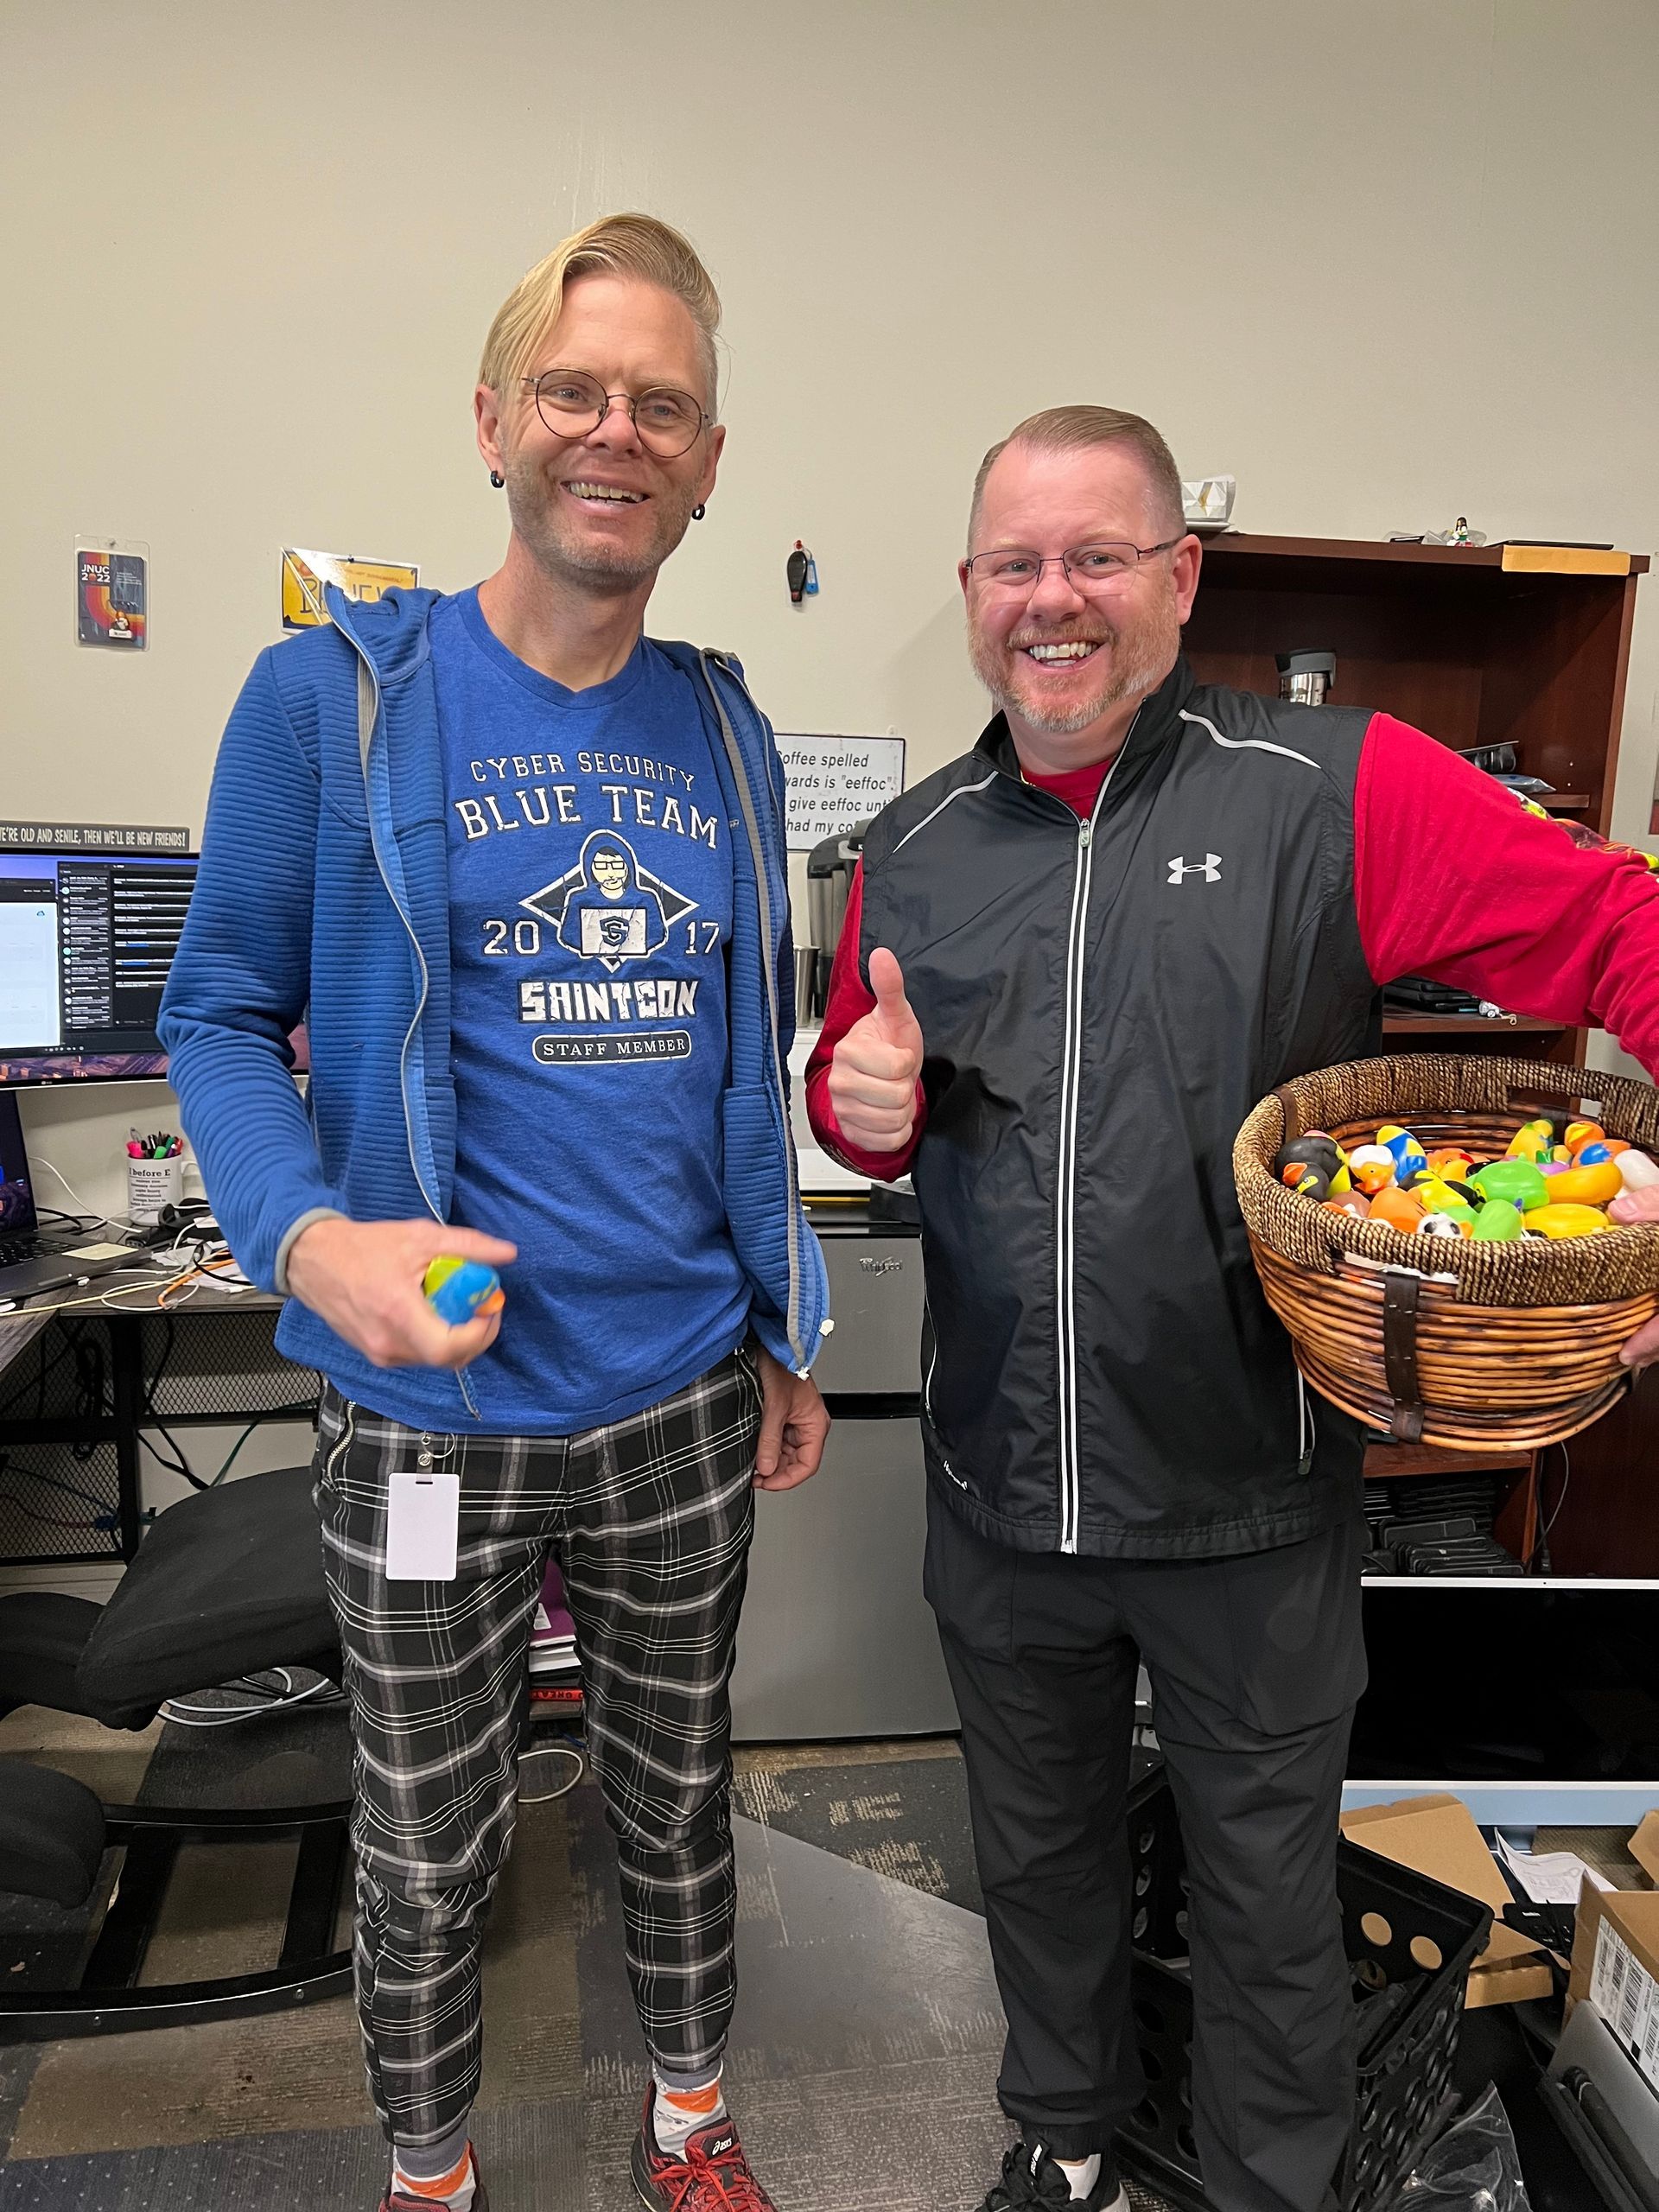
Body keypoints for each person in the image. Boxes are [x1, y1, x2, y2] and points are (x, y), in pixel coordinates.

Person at [807, 404, 1659, 2212]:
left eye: (1097, 557)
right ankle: (1064, 2141)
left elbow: (1613, 934)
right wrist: (849, 1102)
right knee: (1034, 1865)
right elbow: (853, 1082)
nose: (1056, 600)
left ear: (1180, 579)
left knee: (1266, 1889)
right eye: (1017, 563)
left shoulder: (1337, 790)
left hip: (1245, 1501)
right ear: (970, 592)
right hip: (1000, 1490)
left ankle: (1276, 2187)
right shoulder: (914, 842)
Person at [161, 213, 830, 2212]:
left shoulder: (724, 726)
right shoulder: (332, 700)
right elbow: (210, 1015)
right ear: (493, 421)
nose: (614, 431)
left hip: (677, 1405)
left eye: (662, 404)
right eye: (574, 389)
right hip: (426, 1420)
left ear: (709, 459)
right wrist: (310, 1239)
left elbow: (738, 1053)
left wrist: (785, 1317)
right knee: (430, 1837)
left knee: (678, 1798)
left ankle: (691, 2126)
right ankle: (430, 2170)